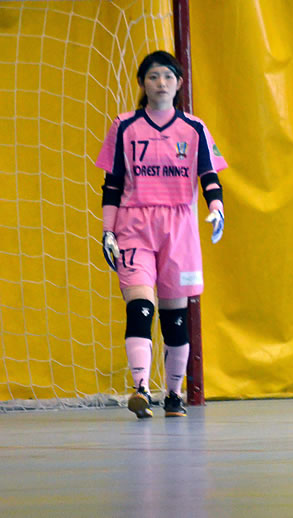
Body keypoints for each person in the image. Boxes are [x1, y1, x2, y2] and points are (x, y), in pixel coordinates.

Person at [96, 51, 227, 419]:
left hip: (179, 227)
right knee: (139, 305)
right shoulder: (124, 127)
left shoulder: (194, 129)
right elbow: (112, 184)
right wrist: (107, 231)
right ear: (143, 83)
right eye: (153, 77)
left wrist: (217, 207)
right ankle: (140, 389)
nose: (161, 83)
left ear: (179, 83)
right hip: (134, 224)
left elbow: (209, 176)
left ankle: (173, 394)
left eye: (168, 77)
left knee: (175, 314)